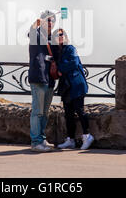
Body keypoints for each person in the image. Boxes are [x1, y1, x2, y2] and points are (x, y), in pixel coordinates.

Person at [53, 28, 94, 150]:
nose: (60, 37)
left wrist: (60, 68)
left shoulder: (70, 48)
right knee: (68, 114)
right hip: (66, 86)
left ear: (66, 37)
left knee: (79, 110)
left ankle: (87, 136)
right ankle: (70, 139)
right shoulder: (58, 51)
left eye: (62, 35)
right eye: (57, 35)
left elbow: (74, 63)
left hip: (76, 84)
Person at [28, 10, 58, 152]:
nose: (50, 23)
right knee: (38, 112)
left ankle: (42, 138)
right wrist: (37, 22)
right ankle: (36, 142)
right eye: (48, 20)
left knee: (45, 112)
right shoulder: (37, 35)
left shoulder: (52, 38)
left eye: (53, 20)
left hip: (49, 78)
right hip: (38, 77)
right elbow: (31, 31)